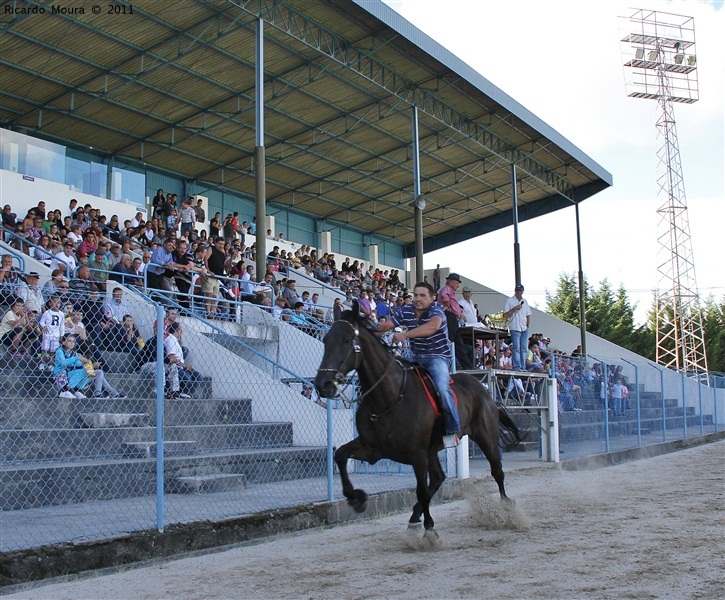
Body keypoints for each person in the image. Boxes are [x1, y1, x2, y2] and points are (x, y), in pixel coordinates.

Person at [377, 281, 460, 448]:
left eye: (422, 295)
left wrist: (405, 335)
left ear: (432, 298)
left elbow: (433, 326)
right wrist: (364, 332)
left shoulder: (436, 310)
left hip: (437, 357)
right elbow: (387, 325)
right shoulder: (406, 310)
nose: (417, 298)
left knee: (442, 388)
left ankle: (452, 429)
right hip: (414, 356)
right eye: (415, 295)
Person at [438, 273, 473, 370]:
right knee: (453, 341)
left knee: (458, 342)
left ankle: (467, 366)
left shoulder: (450, 291)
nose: (458, 285)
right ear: (452, 282)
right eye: (457, 283)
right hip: (448, 316)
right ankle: (453, 365)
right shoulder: (447, 289)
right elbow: (445, 297)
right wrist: (448, 305)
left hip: (452, 317)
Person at [164, 322, 200, 399]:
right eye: (180, 330)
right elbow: (171, 357)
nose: (182, 332)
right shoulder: (170, 340)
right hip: (176, 366)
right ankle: (182, 393)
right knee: (188, 378)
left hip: (181, 365)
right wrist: (185, 366)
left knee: (198, 376)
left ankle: (184, 393)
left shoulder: (175, 340)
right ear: (177, 330)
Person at [503, 284, 531, 371]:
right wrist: (514, 309)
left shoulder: (525, 302)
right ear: (515, 291)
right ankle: (517, 367)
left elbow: (528, 314)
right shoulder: (509, 301)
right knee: (516, 348)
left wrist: (528, 324)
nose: (519, 292)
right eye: (517, 290)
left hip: (524, 328)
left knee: (524, 348)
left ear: (522, 291)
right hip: (515, 327)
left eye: (520, 291)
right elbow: (505, 315)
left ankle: (523, 367)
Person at [39, 295, 65, 371]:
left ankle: (51, 364)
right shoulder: (47, 313)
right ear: (50, 303)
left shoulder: (61, 314)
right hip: (47, 334)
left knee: (53, 350)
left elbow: (62, 325)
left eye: (59, 303)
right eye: (55, 302)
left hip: (56, 334)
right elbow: (41, 322)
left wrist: (62, 334)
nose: (57, 304)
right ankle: (42, 363)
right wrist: (44, 327)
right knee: (44, 349)